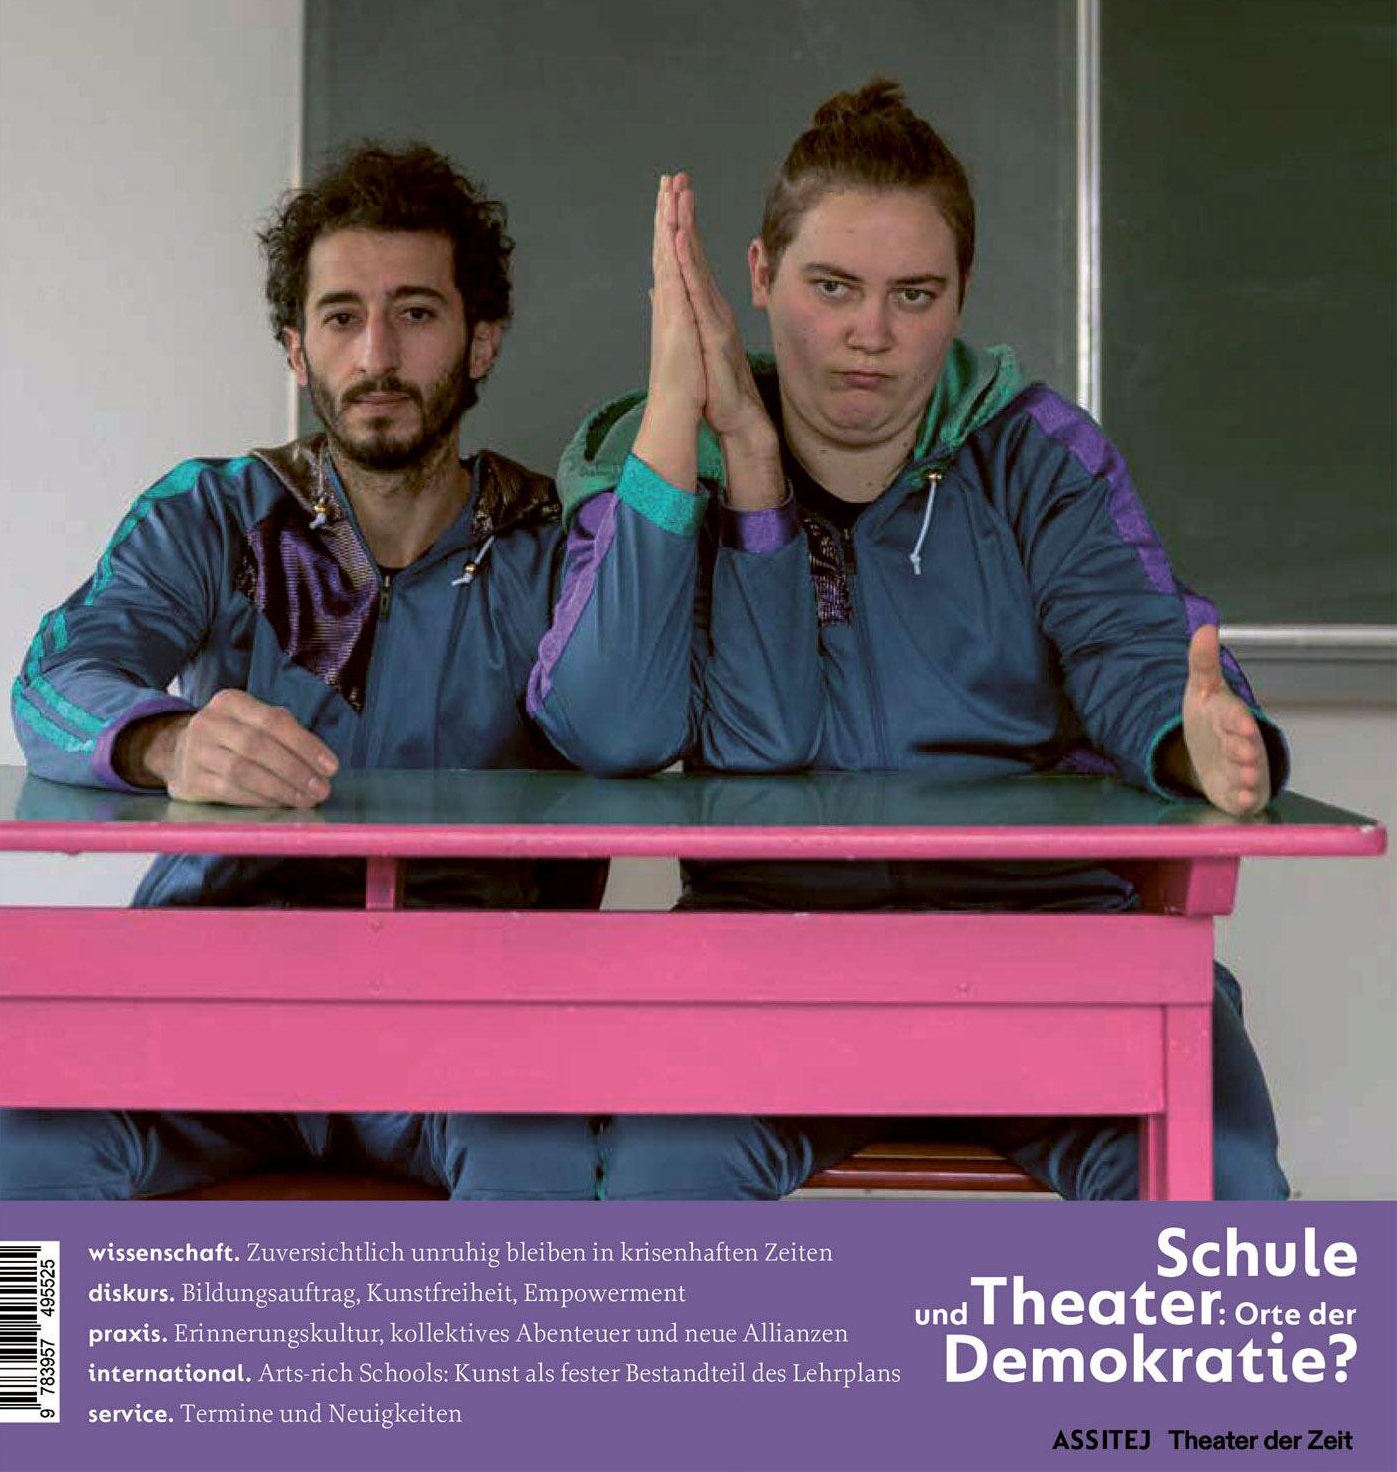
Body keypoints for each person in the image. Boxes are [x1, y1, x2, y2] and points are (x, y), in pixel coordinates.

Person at [540, 79, 1291, 1200]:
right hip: (773, 954)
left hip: (1051, 947)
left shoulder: (1036, 454)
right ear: (759, 274)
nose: (871, 334)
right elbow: (604, 724)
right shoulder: (656, 463)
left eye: (915, 294)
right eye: (831, 286)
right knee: (656, 1187)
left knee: (1219, 1187)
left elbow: (1138, 651)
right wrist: (673, 409)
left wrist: (1194, 738)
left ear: (959, 298)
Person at [1, 140, 608, 1201]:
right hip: (214, 992)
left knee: (543, 1168)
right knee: (27, 1146)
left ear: (481, 339)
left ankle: (468, 1336)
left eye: (416, 312)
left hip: (464, 1010)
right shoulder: (213, 512)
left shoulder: (556, 546)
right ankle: (47, 1328)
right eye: (340, 317)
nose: (376, 353)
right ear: (295, 349)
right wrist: (166, 741)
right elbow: (55, 680)